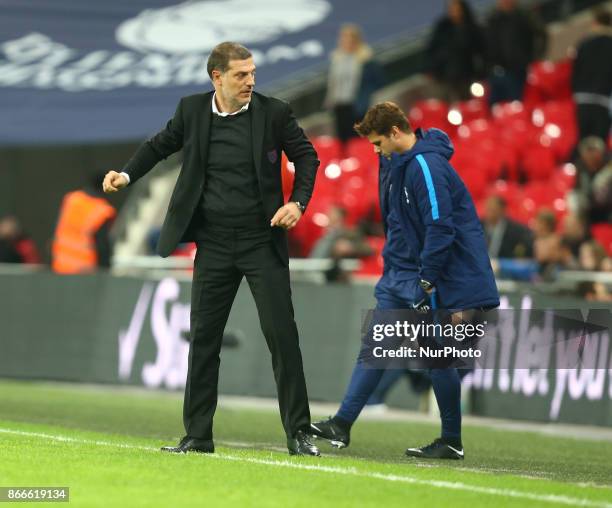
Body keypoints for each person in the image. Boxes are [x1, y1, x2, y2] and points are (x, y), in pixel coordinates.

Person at [103, 42, 320, 456]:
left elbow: (307, 158)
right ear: (216, 77)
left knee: (282, 337)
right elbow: (159, 145)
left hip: (261, 241)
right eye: (241, 75)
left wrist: (298, 202)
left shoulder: (274, 113)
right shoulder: (192, 110)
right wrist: (126, 175)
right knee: (203, 340)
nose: (250, 81)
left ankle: (299, 432)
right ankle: (198, 436)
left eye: (253, 73)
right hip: (214, 243)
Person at [310, 102, 499, 459]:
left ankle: (451, 439)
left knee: (436, 356)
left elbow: (440, 226)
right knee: (379, 344)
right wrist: (394, 264)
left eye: (379, 142)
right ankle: (343, 423)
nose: (376, 150)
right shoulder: (394, 161)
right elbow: (399, 220)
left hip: (432, 275)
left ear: (396, 132)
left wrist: (428, 278)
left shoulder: (426, 165)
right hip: (401, 271)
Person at [324, 24, 385, 145]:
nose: (346, 41)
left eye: (349, 38)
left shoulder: (366, 59)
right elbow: (334, 82)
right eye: (343, 38)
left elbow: (379, 81)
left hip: (358, 107)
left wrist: (366, 96)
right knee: (343, 140)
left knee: (359, 139)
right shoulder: (337, 59)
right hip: (339, 106)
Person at [51, 172, 116, 273]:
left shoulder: (72, 199)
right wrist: (106, 271)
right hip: (84, 271)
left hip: (60, 265)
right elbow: (102, 246)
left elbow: (58, 229)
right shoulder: (102, 210)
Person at [485, 0, 546, 105]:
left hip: (519, 69)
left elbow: (541, 35)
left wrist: (534, 58)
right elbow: (488, 44)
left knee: (518, 103)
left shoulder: (524, 15)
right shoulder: (493, 19)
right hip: (497, 71)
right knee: (494, 105)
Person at [426, 0, 485, 102]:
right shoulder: (442, 27)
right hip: (446, 76)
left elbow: (481, 51)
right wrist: (433, 68)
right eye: (451, 9)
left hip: (467, 76)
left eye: (456, 9)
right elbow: (432, 49)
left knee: (469, 103)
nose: (454, 12)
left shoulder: (472, 28)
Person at [571, 8, 612, 144]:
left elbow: (574, 72)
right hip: (603, 101)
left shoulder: (583, 44)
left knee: (583, 145)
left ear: (595, 22)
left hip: (582, 100)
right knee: (599, 146)